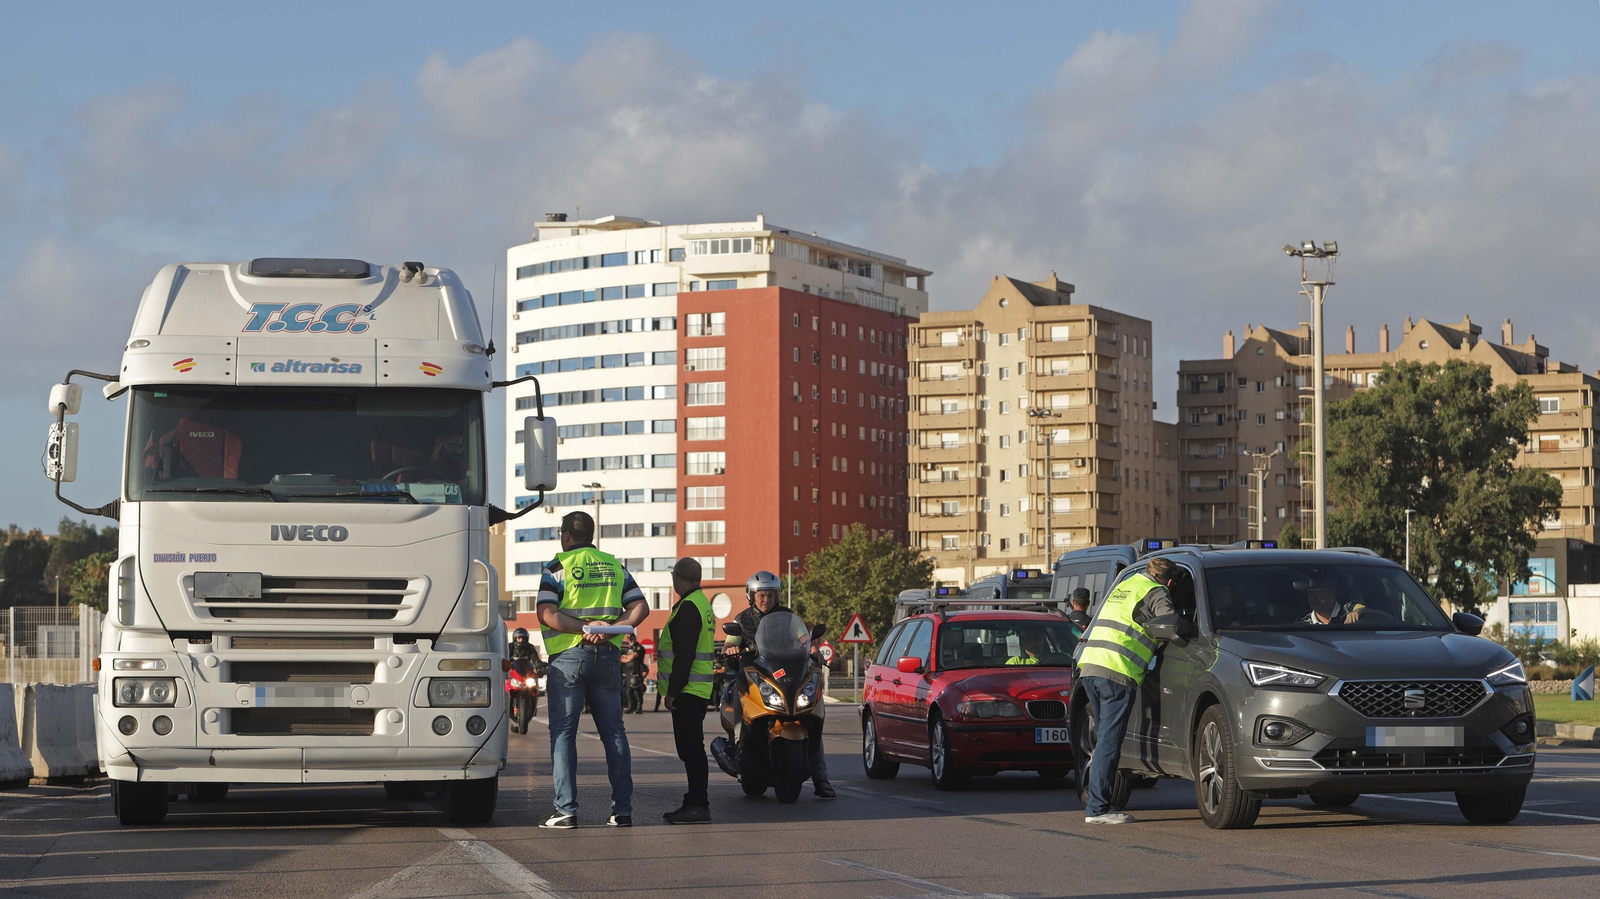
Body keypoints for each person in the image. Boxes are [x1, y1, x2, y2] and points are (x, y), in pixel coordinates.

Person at [535, 510, 648, 829]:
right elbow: (641, 607)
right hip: (607, 658)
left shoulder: (557, 567)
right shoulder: (614, 566)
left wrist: (584, 627)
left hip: (568, 659)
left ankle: (566, 810)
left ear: (566, 535)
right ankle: (622, 811)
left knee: (563, 733)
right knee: (614, 733)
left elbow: (548, 614)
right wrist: (611, 628)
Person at [1076, 556, 1180, 825]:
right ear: (1168, 580)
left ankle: (1097, 803)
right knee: (1109, 744)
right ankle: (1098, 810)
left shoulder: (1127, 583)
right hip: (1117, 671)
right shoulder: (1157, 591)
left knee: (1103, 743)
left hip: (1090, 667)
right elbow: (1169, 621)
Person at [723, 570, 835, 798]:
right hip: (753, 674)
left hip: (785, 674)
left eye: (771, 595)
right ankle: (739, 748)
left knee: (811, 717)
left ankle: (821, 777)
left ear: (778, 596)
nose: (766, 599)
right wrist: (731, 650)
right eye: (761, 595)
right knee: (739, 702)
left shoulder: (788, 616)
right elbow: (727, 645)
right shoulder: (742, 620)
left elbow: (805, 638)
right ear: (751, 596)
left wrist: (813, 649)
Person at [660, 558, 716, 824]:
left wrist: (672, 692)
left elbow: (684, 655)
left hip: (688, 690)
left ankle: (697, 804)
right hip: (698, 688)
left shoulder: (688, 607)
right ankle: (695, 801)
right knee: (692, 749)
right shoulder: (702, 604)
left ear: (677, 577)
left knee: (691, 749)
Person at [620, 635, 647, 714]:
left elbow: (632, 657)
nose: (630, 641)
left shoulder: (639, 648)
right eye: (629, 639)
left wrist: (626, 657)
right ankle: (631, 707)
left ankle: (639, 708)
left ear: (635, 638)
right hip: (628, 672)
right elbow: (622, 659)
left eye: (631, 639)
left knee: (637, 692)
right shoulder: (629, 648)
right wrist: (625, 658)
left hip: (636, 672)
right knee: (629, 691)